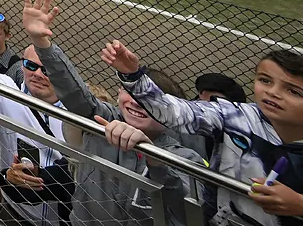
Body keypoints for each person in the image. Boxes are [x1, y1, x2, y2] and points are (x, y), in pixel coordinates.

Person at [23, 0, 205, 226]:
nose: (136, 102)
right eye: (130, 91)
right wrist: (42, 45)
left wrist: (155, 159)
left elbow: (189, 213)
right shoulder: (103, 119)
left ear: (171, 111)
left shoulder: (186, 157)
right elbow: (74, 92)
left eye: (151, 99)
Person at [104, 40, 303, 225]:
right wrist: (133, 76)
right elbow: (174, 112)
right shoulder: (233, 115)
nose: (273, 92)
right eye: (265, 80)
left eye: (293, 91)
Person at [0, 6, 75, 226]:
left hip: (65, 217)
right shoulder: (7, 92)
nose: (37, 74)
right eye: (30, 66)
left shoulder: (76, 112)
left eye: (45, 69)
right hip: (15, 210)